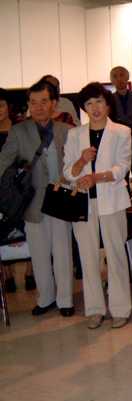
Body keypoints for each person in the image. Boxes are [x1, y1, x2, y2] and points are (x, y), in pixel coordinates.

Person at [0, 81, 74, 316]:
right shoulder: (18, 131)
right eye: (33, 102)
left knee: (63, 252)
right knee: (39, 254)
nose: (39, 107)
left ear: (53, 103)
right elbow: (3, 162)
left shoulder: (66, 130)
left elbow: (76, 164)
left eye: (44, 101)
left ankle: (65, 300)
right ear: (28, 105)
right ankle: (45, 299)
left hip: (61, 200)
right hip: (31, 202)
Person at [62, 83, 132, 329]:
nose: (95, 108)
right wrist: (81, 161)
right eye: (89, 103)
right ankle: (94, 309)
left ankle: (120, 309)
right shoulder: (74, 134)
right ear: (83, 108)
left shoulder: (121, 131)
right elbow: (67, 172)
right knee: (87, 257)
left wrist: (97, 177)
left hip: (112, 201)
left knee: (116, 255)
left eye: (99, 101)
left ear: (108, 104)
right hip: (83, 203)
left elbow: (123, 167)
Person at [0, 88, 36, 293]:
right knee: (2, 229)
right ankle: (7, 275)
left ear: (9, 107)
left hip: (22, 186)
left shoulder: (20, 129)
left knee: (27, 227)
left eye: (1, 105)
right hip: (0, 189)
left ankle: (30, 272)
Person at [110, 66, 132, 134]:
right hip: (116, 135)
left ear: (127, 77)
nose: (119, 79)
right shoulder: (109, 99)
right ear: (111, 80)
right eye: (115, 76)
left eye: (121, 75)